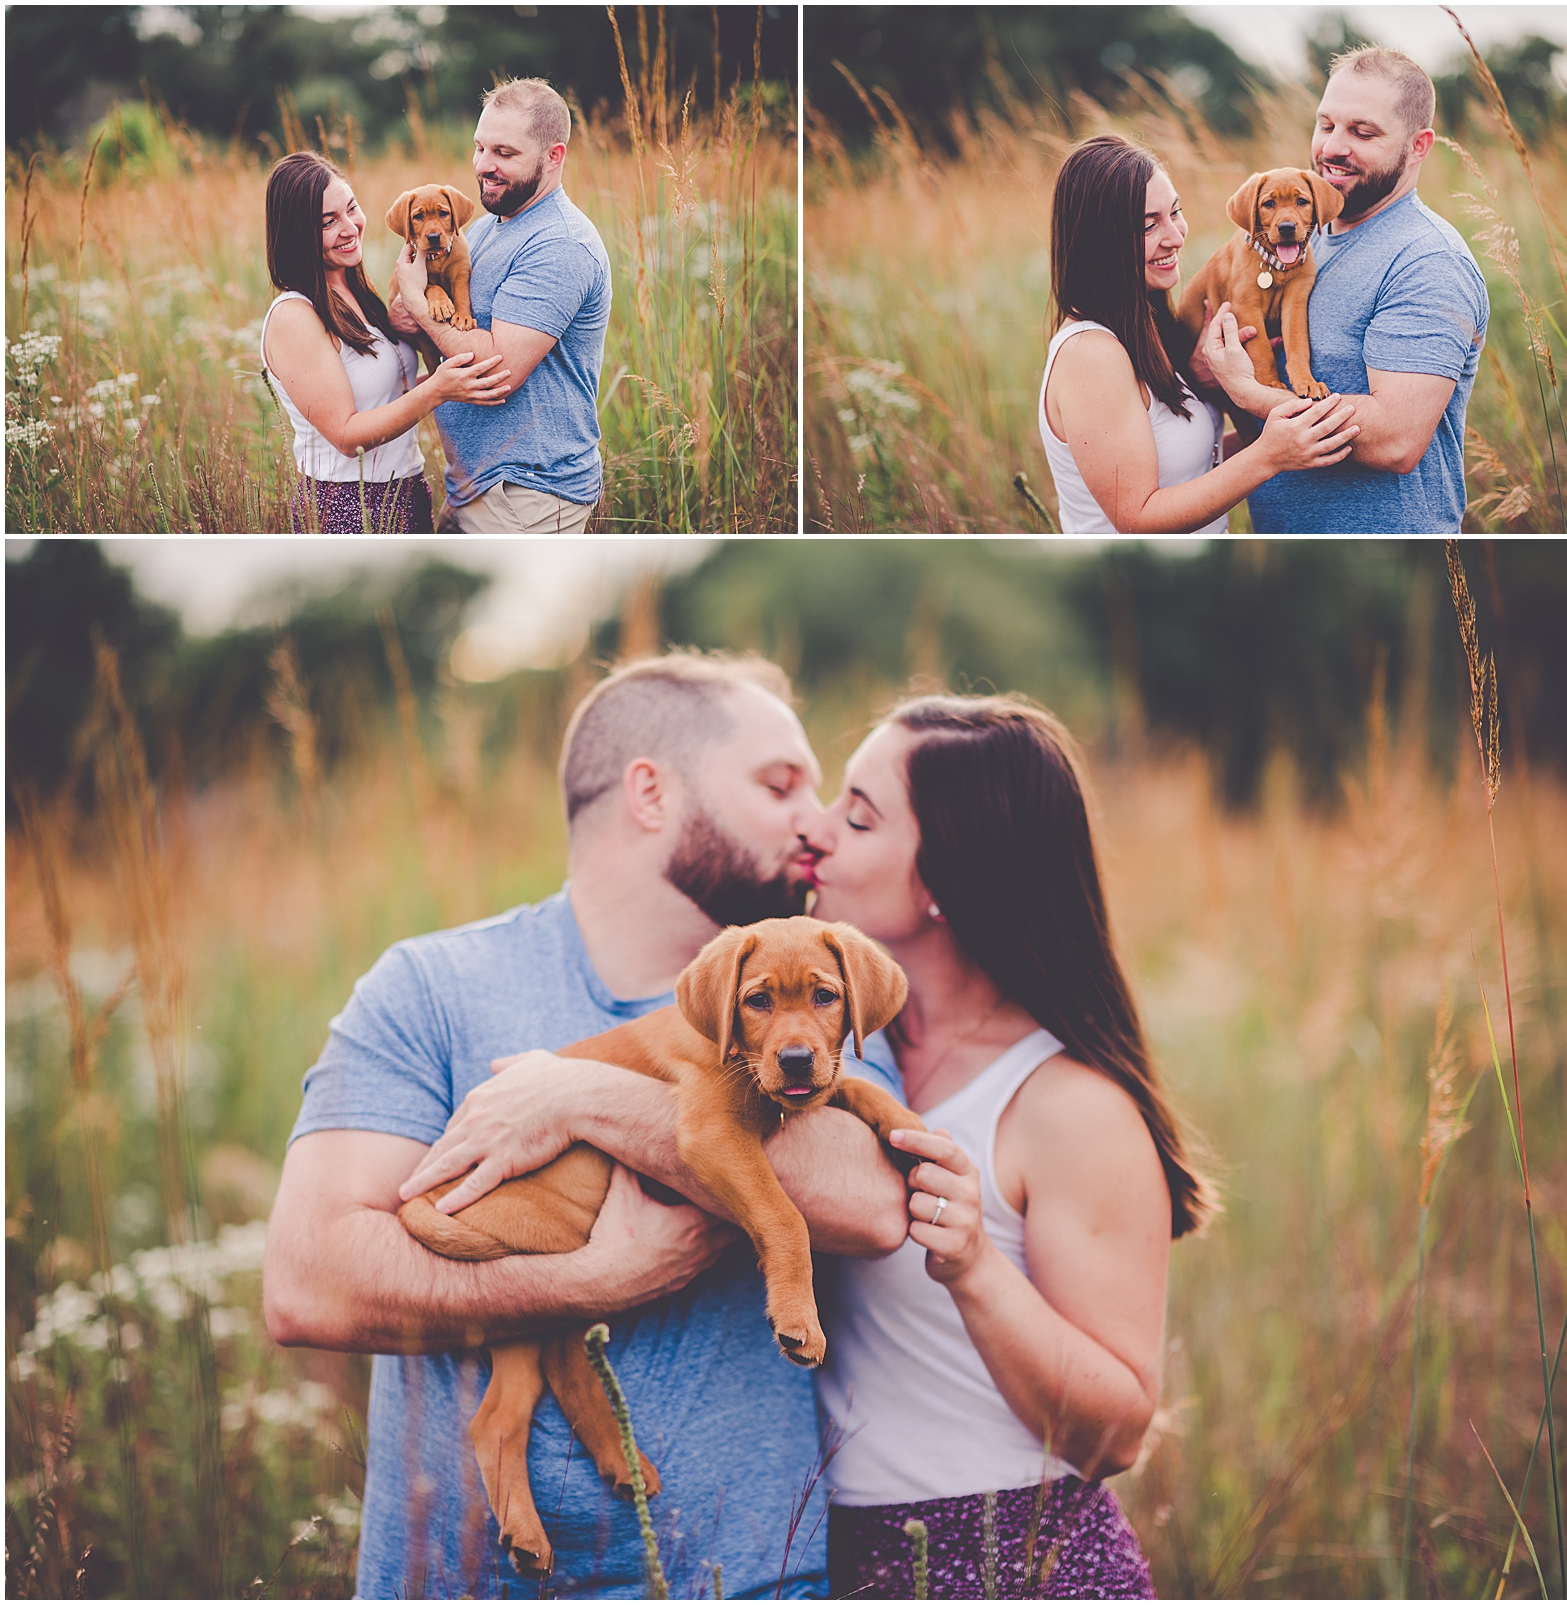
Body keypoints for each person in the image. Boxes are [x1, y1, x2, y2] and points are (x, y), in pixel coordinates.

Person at [262, 652, 910, 1598]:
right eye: (780, 784)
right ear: (651, 791)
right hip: (459, 1583)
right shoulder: (428, 988)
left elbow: (872, 1203)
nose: (818, 821)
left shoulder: (817, 985)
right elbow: (309, 1285)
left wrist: (580, 1097)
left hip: (748, 1580)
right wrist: (595, 1279)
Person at [805, 693, 1214, 1599]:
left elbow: (1117, 1433)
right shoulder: (838, 1045)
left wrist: (978, 1266)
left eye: (858, 816)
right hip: (837, 1559)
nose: (816, 830)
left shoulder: (1068, 1105)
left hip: (1007, 1559)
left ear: (945, 873)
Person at [1194, 45, 1491, 533]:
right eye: (1326, 124)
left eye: (1362, 131)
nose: (1333, 147)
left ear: (1418, 146)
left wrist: (1246, 390)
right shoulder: (1300, 236)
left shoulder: (1427, 261)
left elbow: (1395, 439)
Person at [1040, 133, 1360, 535]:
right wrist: (1267, 454)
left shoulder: (1146, 331)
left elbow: (1183, 466)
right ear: (1098, 242)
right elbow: (1137, 517)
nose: (1176, 236)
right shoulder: (1090, 354)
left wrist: (1204, 384)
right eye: (1147, 225)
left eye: (1175, 212)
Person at [389, 77, 611, 533]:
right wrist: (406, 317)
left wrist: (416, 299)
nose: (483, 166)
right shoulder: (489, 227)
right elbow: (442, 330)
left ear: (554, 156)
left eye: (504, 154)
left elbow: (498, 371)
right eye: (479, 148)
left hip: (526, 494)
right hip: (474, 485)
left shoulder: (559, 243)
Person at [260, 151, 512, 533]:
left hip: (408, 489)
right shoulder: (294, 316)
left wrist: (460, 377)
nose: (350, 227)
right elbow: (346, 435)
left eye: (351, 208)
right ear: (297, 233)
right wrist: (438, 391)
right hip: (346, 503)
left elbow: (391, 394)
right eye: (328, 221)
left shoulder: (360, 294)